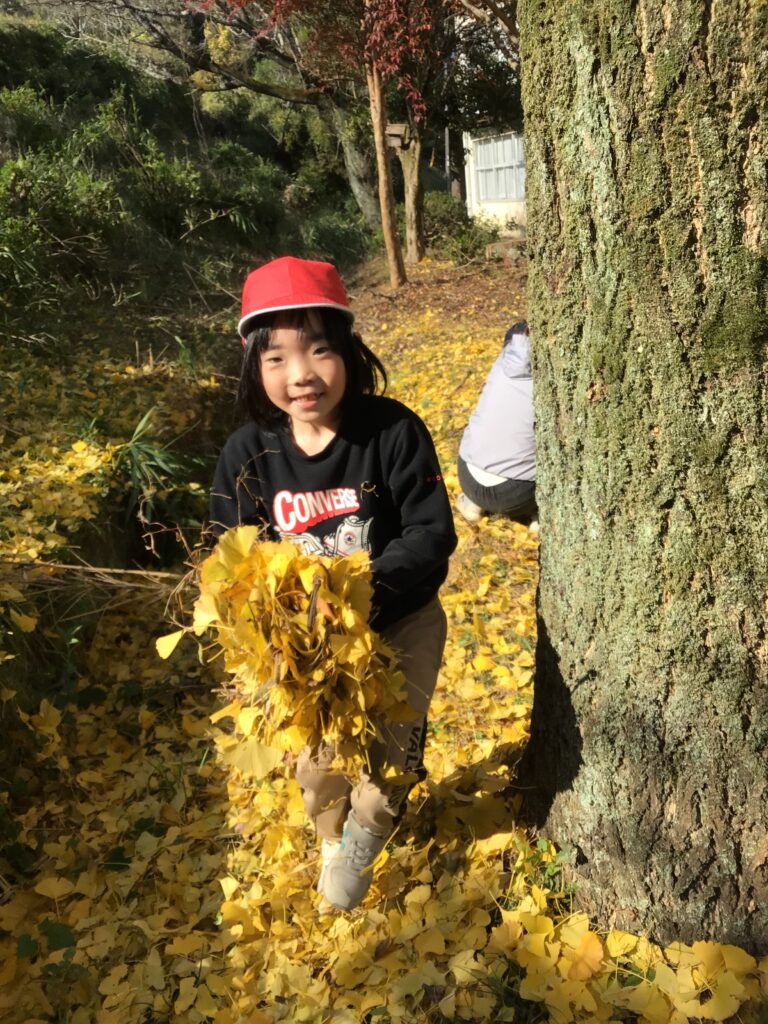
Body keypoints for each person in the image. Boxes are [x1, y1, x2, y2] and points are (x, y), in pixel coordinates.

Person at [209, 256, 457, 911]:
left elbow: (431, 534)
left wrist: (360, 587)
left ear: (348, 350)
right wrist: (276, 616)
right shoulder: (247, 455)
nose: (301, 374)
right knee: (316, 766)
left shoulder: (392, 433)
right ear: (254, 368)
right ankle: (330, 838)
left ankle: (365, 837)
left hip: (400, 624)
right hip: (306, 649)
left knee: (390, 761)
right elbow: (231, 554)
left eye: (319, 350)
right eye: (277, 359)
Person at [455, 320, 537, 525]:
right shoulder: (551, 378)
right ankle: (537, 516)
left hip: (467, 475)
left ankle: (473, 505)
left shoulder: (501, 364)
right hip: (517, 493)